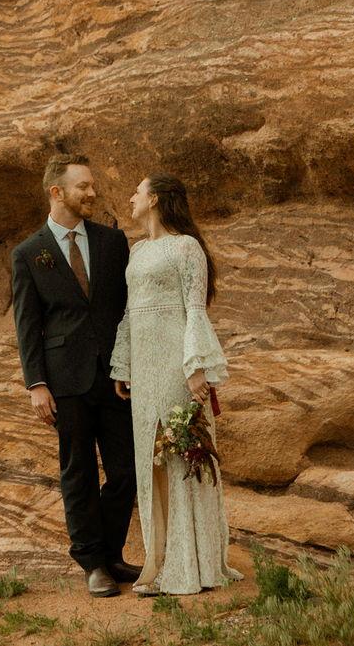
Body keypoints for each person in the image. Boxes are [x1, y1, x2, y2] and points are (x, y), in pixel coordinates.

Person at [10, 154, 140, 598]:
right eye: (83, 186)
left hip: (116, 377)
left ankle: (110, 553)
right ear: (57, 192)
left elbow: (127, 308)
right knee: (78, 471)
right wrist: (36, 384)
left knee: (126, 470)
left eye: (91, 185)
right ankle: (92, 563)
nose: (92, 193)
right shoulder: (29, 253)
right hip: (64, 380)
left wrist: (132, 362)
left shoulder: (112, 241)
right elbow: (27, 325)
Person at [109, 174, 243, 596]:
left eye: (137, 191)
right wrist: (123, 365)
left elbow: (194, 309)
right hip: (144, 369)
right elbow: (130, 312)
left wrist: (196, 366)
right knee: (149, 460)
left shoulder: (187, 247)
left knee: (180, 454)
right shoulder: (137, 251)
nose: (132, 197)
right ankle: (161, 560)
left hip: (176, 367)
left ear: (155, 199)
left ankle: (191, 564)